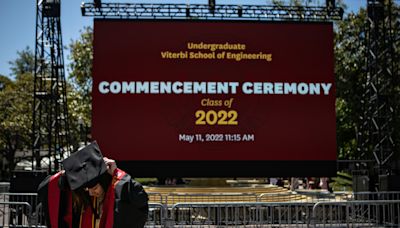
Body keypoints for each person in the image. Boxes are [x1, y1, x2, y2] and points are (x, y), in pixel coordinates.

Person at [38, 141, 149, 228]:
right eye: (87, 189)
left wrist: (116, 173)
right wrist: (68, 173)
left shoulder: (115, 193)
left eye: (94, 187)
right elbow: (47, 188)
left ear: (104, 181)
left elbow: (139, 199)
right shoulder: (79, 193)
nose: (91, 192)